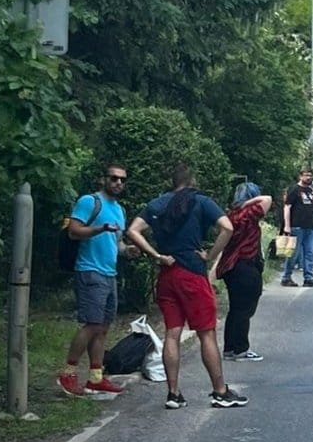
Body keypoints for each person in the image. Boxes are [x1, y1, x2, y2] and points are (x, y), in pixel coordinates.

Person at [126, 166, 246, 410]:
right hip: (192, 273)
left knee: (172, 333)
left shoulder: (157, 204)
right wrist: (210, 255)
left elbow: (132, 230)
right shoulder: (201, 202)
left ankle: (173, 393)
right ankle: (220, 391)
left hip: (167, 274)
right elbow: (228, 227)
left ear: (172, 182)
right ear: (192, 181)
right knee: (206, 333)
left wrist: (156, 255)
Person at [57, 166, 131, 398]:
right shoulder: (90, 202)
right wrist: (100, 228)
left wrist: (127, 250)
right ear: (104, 179)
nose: (118, 183)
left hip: (109, 273)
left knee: (103, 327)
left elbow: (115, 243)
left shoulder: (119, 210)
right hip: (89, 270)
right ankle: (68, 372)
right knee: (91, 324)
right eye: (114, 178)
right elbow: (73, 231)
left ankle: (95, 378)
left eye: (122, 180)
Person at [217, 182, 272, 362]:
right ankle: (241, 348)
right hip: (246, 263)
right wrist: (248, 202)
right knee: (245, 308)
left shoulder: (232, 214)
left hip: (231, 266)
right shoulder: (248, 213)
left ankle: (230, 348)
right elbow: (267, 199)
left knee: (235, 308)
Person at [281, 170, 313, 288]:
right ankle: (286, 277)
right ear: (300, 176)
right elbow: (287, 207)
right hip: (297, 225)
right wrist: (287, 225)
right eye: (306, 175)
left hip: (310, 225)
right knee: (294, 253)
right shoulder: (294, 189)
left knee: (309, 253)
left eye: (310, 175)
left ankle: (309, 277)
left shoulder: (311, 191)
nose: (308, 177)